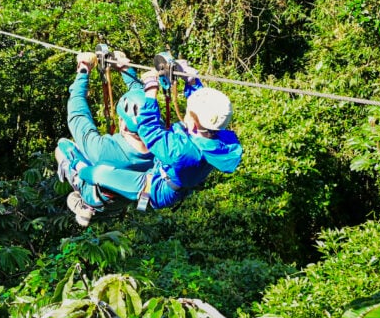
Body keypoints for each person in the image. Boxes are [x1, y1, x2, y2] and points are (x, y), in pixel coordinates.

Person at [64, 62, 242, 222]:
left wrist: (150, 89)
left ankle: (79, 183)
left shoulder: (181, 151)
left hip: (156, 187)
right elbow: (203, 110)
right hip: (167, 177)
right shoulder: (217, 137)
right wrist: (191, 81)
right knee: (103, 174)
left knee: (96, 172)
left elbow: (149, 130)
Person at [55, 51, 154, 226]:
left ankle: (84, 205)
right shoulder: (160, 144)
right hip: (126, 195)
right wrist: (124, 68)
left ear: (123, 124)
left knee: (62, 146)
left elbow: (77, 114)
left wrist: (83, 70)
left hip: (97, 195)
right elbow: (142, 99)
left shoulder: (101, 149)